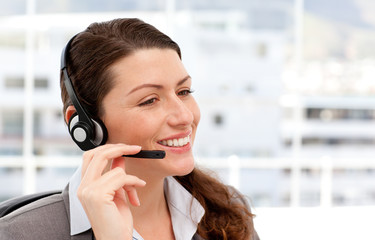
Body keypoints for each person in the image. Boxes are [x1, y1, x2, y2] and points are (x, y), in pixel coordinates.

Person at [0, 18, 259, 240]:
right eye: (149, 100)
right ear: (85, 123)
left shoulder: (226, 211)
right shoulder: (19, 233)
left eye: (184, 91)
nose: (184, 115)